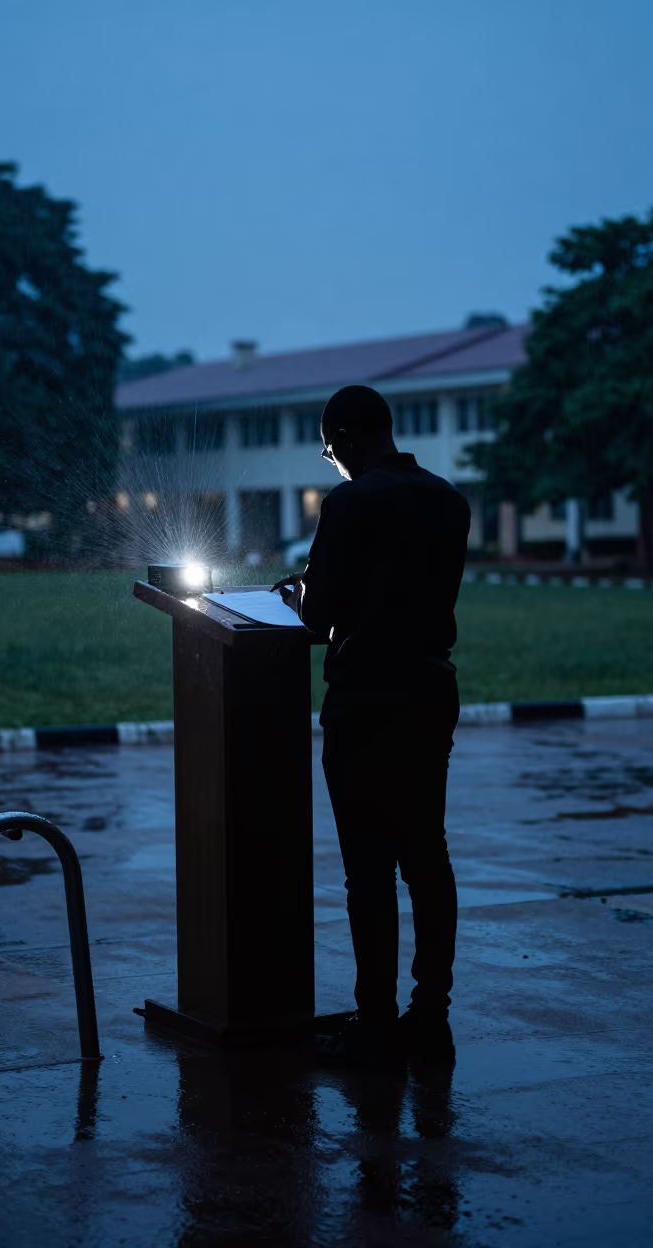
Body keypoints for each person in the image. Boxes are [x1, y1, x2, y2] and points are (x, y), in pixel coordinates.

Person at [273, 384, 471, 1067]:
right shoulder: (449, 499)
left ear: (350, 438)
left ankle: (377, 1022)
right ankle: (432, 1018)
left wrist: (298, 589)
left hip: (365, 697)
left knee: (368, 868)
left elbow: (317, 618)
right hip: (428, 688)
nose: (334, 463)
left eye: (330, 452)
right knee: (426, 855)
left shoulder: (350, 502)